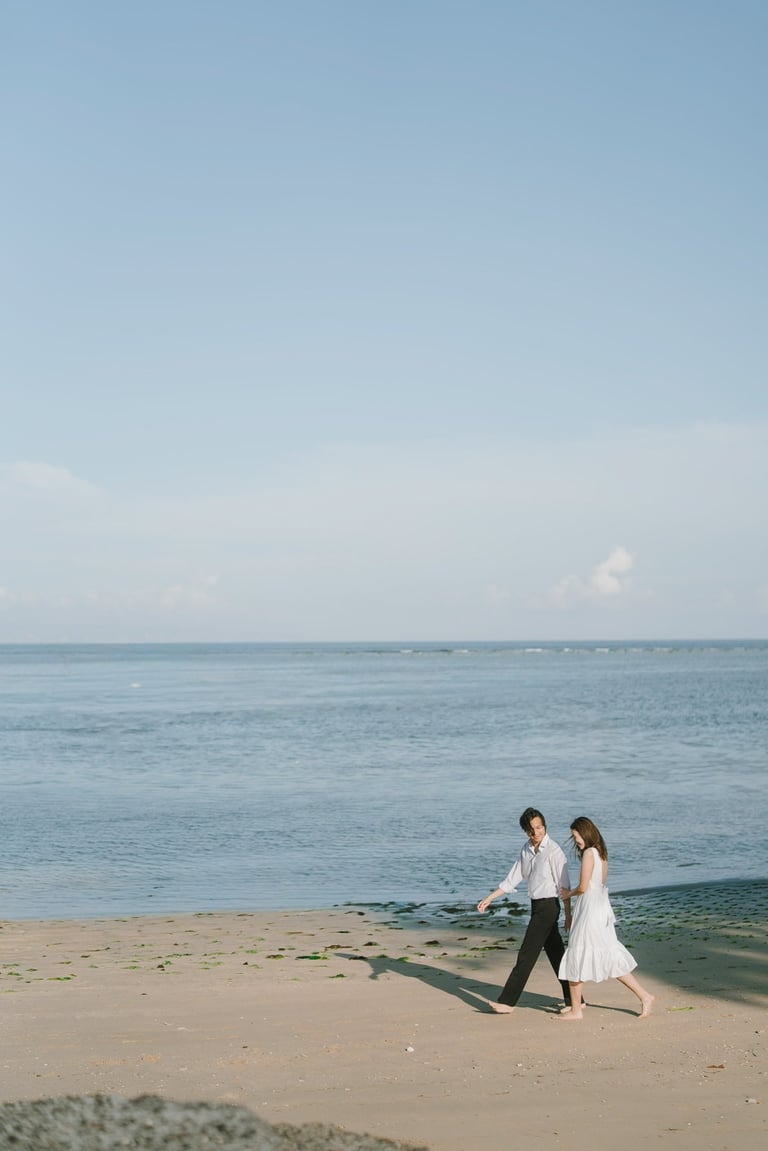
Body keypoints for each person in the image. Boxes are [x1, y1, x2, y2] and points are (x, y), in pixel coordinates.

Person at [558, 816, 655, 1021]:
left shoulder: (588, 854)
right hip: (599, 908)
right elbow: (597, 884)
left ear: (585, 833)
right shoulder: (601, 854)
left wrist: (568, 894)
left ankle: (577, 1010)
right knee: (606, 956)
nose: (576, 841)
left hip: (590, 910)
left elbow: (584, 887)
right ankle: (645, 996)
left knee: (577, 953)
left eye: (576, 836)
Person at [477, 807, 572, 1013]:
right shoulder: (526, 849)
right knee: (556, 954)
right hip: (536, 906)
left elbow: (564, 887)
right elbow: (513, 878)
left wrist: (568, 915)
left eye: (539, 827)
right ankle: (574, 999)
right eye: (532, 829)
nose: (537, 832)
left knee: (526, 955)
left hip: (549, 907)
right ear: (526, 832)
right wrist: (489, 898)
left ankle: (507, 1002)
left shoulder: (554, 851)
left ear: (544, 826)